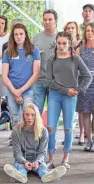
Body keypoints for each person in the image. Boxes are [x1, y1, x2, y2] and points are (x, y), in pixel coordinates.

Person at [46, 32, 92, 169]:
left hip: (70, 97)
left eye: (64, 43)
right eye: (59, 43)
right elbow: (49, 81)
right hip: (55, 95)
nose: (61, 46)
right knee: (51, 127)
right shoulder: (51, 60)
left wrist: (78, 90)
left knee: (68, 128)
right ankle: (51, 159)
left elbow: (87, 76)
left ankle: (66, 158)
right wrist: (66, 90)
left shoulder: (76, 59)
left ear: (70, 44)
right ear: (56, 43)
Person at [4, 103, 67, 183]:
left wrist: (37, 162)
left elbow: (42, 152)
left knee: (43, 167)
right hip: (22, 160)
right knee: (20, 167)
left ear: (36, 116)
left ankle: (46, 176)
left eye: (32, 115)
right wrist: (25, 162)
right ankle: (20, 176)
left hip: (37, 160)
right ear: (23, 115)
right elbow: (17, 152)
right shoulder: (16, 131)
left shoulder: (43, 131)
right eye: (27, 114)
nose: (29, 117)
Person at [2, 23, 40, 132]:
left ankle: (28, 143)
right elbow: (4, 76)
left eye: (21, 34)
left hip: (28, 90)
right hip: (12, 89)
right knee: (14, 118)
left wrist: (21, 90)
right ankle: (17, 142)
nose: (18, 36)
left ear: (25, 35)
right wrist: (14, 91)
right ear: (13, 36)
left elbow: (36, 73)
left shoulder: (34, 50)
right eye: (16, 34)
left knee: (28, 117)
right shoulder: (7, 52)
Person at [32, 9, 58, 115]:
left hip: (56, 82)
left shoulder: (61, 37)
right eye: (45, 19)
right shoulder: (35, 39)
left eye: (50, 19)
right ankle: (36, 132)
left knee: (53, 114)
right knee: (36, 114)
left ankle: (52, 133)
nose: (47, 22)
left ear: (55, 20)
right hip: (39, 82)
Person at [76, 23, 94, 152]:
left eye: (92, 30)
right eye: (87, 30)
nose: (89, 33)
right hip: (84, 84)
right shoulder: (80, 49)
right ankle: (89, 141)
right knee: (86, 113)